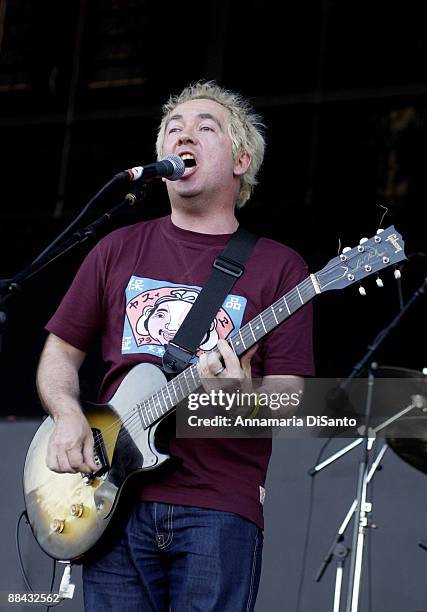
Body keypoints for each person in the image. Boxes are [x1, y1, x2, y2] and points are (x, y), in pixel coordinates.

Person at [36, 81, 314, 612]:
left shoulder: (280, 268)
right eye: (173, 127)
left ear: (241, 160)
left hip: (217, 507)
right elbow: (60, 353)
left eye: (205, 127)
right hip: (108, 500)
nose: (184, 132)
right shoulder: (117, 247)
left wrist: (241, 400)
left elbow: (292, 398)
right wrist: (68, 414)